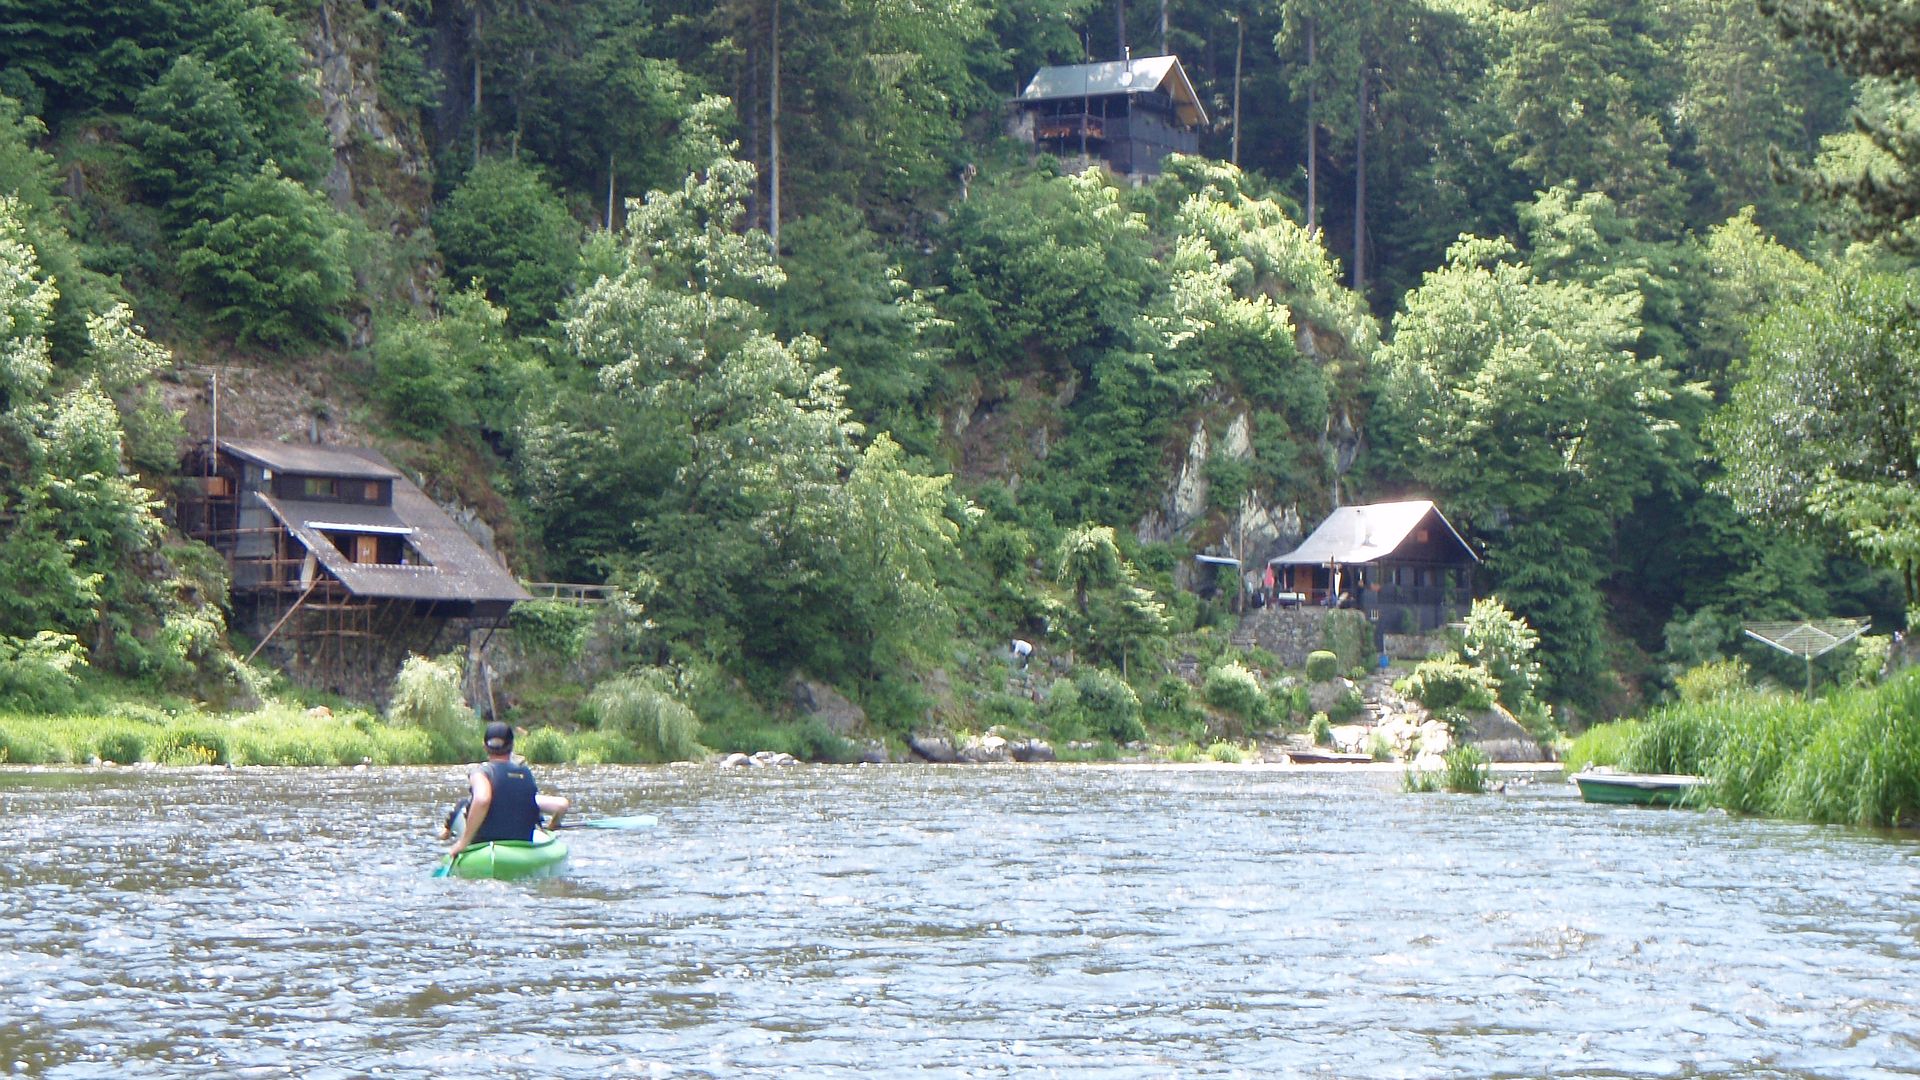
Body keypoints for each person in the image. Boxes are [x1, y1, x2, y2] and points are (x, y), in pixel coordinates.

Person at [446, 722, 569, 860]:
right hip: (523, 846)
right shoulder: (525, 773)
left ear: (485, 747)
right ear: (511, 746)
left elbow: (482, 799)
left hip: (485, 846)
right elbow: (561, 805)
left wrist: (463, 843)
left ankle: (445, 833)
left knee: (463, 805)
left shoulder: (481, 772)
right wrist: (552, 827)